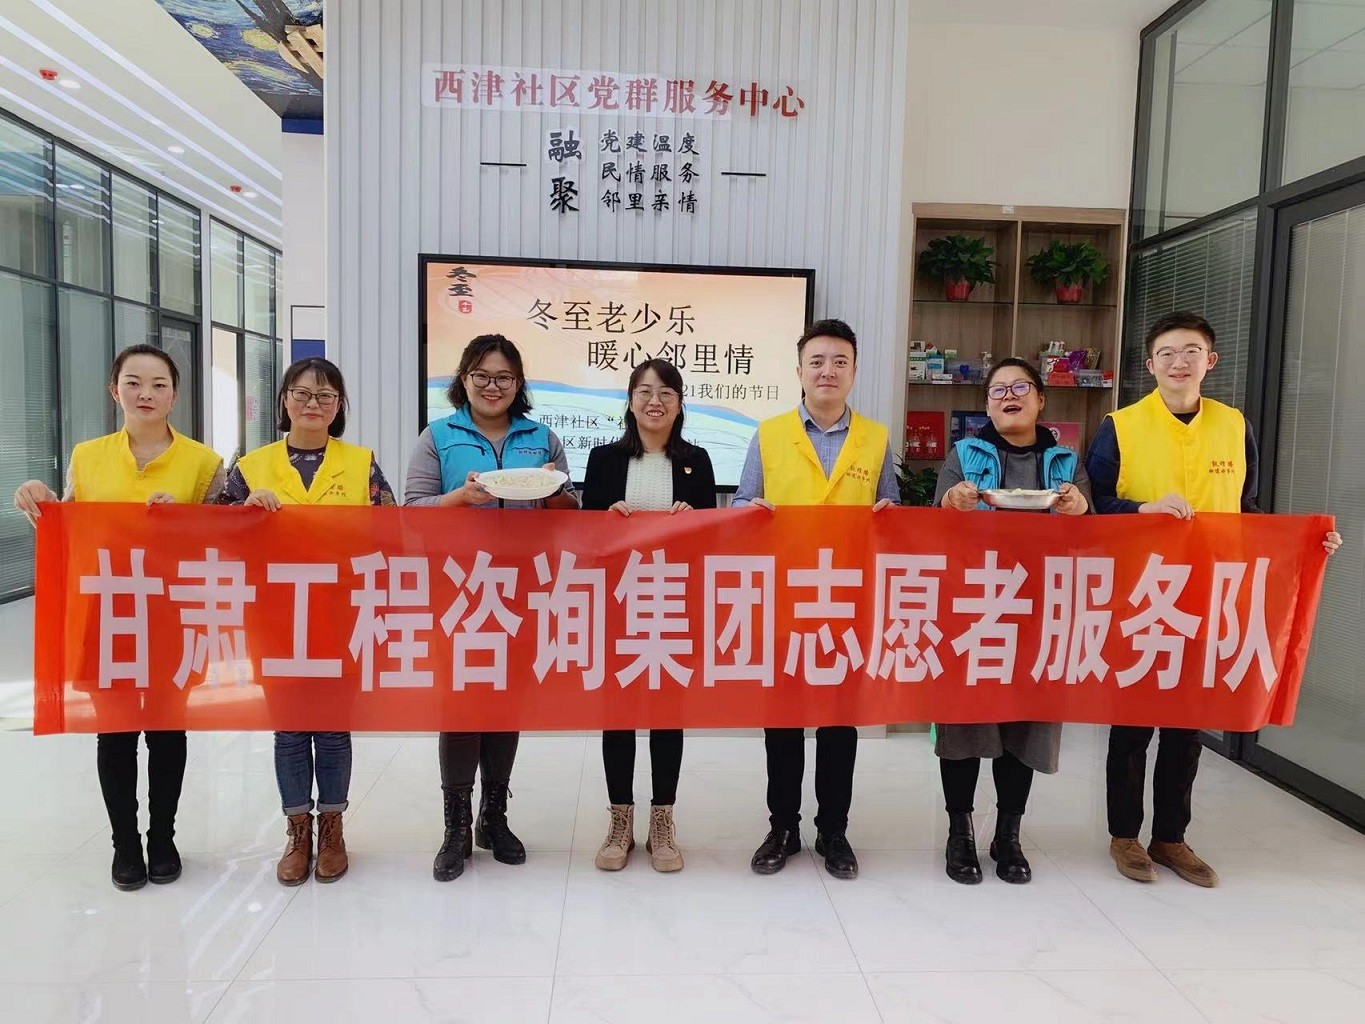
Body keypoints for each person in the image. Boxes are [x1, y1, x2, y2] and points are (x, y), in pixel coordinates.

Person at [1086, 311, 1341, 888]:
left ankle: (1171, 837)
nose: (1179, 362)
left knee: (1188, 724)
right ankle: (1124, 835)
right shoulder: (1120, 426)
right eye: (1167, 353)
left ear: (1210, 360)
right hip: (1141, 594)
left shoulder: (1233, 425)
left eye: (1191, 351)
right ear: (1150, 364)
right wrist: (1142, 510)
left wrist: (1307, 544)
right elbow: (1095, 506)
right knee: (1132, 723)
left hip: (1210, 595)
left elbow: (1248, 512)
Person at [13, 344, 224, 891]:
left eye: (158, 384)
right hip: (107, 613)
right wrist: (39, 501)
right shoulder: (88, 456)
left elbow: (223, 541)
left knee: (168, 729)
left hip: (173, 612)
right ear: (115, 391)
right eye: (133, 383)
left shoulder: (204, 462)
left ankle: (163, 838)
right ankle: (125, 844)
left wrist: (185, 523)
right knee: (115, 733)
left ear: (174, 395)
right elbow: (68, 525)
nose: (145, 393)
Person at [404, 333, 580, 882]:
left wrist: (553, 495)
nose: (492, 386)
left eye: (504, 377)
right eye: (481, 375)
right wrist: (459, 499)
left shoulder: (542, 438)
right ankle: (456, 827)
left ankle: (494, 817)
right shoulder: (438, 437)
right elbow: (411, 512)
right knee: (461, 707)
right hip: (459, 591)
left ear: (519, 383)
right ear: (464, 379)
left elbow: (569, 513)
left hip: (523, 590)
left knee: (506, 705)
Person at [732, 318, 899, 880]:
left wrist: (890, 516)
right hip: (784, 600)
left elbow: (890, 509)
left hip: (848, 602)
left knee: (839, 724)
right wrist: (749, 511)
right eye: (818, 361)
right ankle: (782, 826)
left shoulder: (875, 437)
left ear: (854, 371)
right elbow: (742, 503)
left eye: (839, 362)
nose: (828, 371)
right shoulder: (769, 433)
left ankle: (834, 830)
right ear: (799, 369)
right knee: (782, 722)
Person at [219, 356, 395, 886]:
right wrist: (244, 513)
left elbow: (391, 532)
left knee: (334, 727)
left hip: (341, 614)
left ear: (339, 406)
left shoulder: (361, 463)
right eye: (302, 393)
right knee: (291, 727)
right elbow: (215, 537)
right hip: (275, 615)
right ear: (284, 400)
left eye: (325, 395)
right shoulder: (251, 466)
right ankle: (298, 831)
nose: (313, 404)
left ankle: (333, 828)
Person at [934, 357, 1091, 885]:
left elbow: (1093, 538)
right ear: (987, 404)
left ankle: (1009, 834)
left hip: (1040, 609)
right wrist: (952, 502)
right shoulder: (963, 455)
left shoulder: (1066, 462)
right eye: (998, 389)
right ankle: (959, 832)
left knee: (1026, 722)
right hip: (973, 608)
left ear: (1041, 400)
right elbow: (934, 528)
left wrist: (1080, 511)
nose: (1009, 396)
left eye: (1020, 387)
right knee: (965, 721)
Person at [580, 359, 717, 873]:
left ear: (679, 404)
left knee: (666, 713)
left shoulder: (697, 461)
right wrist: (606, 519)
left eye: (665, 393)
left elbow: (711, 539)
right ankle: (620, 820)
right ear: (630, 401)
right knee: (617, 713)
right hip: (616, 604)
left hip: (673, 603)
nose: (654, 401)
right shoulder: (603, 459)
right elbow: (586, 541)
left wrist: (693, 521)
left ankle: (663, 820)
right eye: (644, 391)